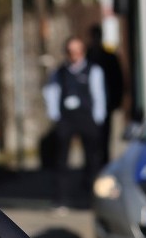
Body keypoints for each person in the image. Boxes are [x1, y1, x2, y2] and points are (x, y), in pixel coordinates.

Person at [43, 36, 106, 208]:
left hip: (86, 117)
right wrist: (55, 116)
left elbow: (99, 95)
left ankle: (93, 198)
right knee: (61, 159)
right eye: (71, 52)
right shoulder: (59, 71)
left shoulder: (94, 70)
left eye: (77, 51)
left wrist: (97, 117)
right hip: (66, 118)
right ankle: (61, 199)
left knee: (93, 159)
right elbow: (51, 93)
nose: (74, 55)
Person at [86, 24, 125, 163]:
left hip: (107, 105)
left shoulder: (109, 58)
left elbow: (118, 80)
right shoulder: (87, 58)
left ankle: (104, 163)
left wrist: (116, 102)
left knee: (105, 138)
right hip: (88, 107)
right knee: (91, 140)